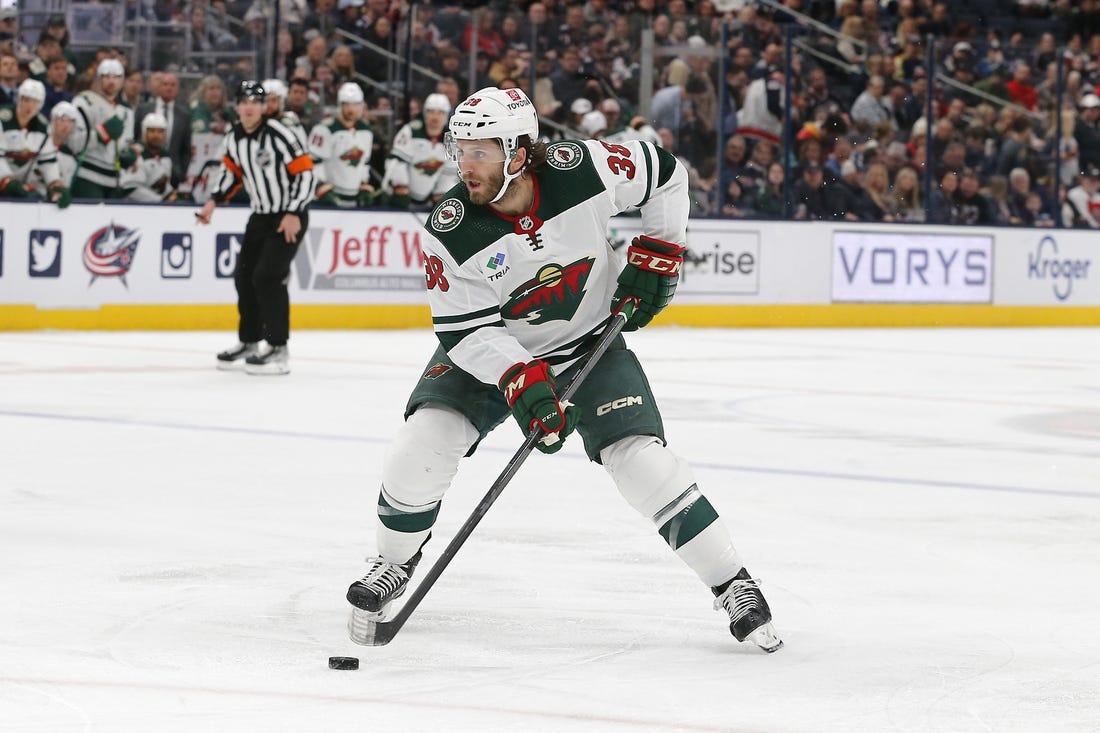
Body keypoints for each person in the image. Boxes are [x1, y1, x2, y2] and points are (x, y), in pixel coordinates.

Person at [345, 86, 783, 653]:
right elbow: (464, 332)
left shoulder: (583, 169)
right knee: (422, 442)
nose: (464, 165)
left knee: (643, 462)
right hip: (495, 350)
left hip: (587, 343)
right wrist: (520, 376)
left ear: (519, 150)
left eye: (481, 151)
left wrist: (661, 248)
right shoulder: (449, 228)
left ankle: (733, 584)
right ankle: (393, 562)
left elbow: (666, 173)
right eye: (461, 150)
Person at [195, 81, 316, 376]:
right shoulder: (234, 136)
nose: (249, 107)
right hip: (260, 215)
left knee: (268, 277)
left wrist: (293, 211)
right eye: (244, 101)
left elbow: (305, 174)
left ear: (263, 107)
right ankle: (249, 341)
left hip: (289, 216)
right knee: (245, 277)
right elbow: (231, 173)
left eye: (255, 101)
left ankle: (278, 348)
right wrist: (213, 201)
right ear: (237, 106)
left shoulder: (280, 133)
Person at [66, 58, 137, 199]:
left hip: (115, 179)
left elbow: (126, 144)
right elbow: (73, 143)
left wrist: (129, 154)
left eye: (117, 77)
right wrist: (101, 134)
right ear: (98, 79)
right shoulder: (83, 102)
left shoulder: (126, 112)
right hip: (87, 175)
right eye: (107, 76)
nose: (112, 81)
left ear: (122, 81)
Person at [380, 92, 458, 209]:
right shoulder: (411, 131)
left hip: (428, 202)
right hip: (399, 199)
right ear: (425, 113)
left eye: (440, 112)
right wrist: (400, 185)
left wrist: (442, 192)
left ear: (447, 115)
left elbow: (450, 171)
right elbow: (397, 161)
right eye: (431, 111)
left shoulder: (451, 139)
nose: (435, 117)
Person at [0, 79, 71, 207]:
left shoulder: (43, 127)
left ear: (41, 104)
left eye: (35, 102)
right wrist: (8, 181)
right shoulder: (2, 119)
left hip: (19, 187)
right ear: (18, 99)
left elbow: (48, 162)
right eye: (26, 100)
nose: (30, 106)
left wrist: (54, 184)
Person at [308, 81, 375, 208]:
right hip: (329, 197)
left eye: (355, 104)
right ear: (340, 105)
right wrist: (320, 186)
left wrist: (363, 182)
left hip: (354, 197)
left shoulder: (366, 130)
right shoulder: (325, 129)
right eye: (346, 104)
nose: (351, 109)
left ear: (362, 106)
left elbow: (364, 162)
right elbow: (313, 161)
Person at [122, 112, 176, 202]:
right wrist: (160, 200)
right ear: (144, 132)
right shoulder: (135, 154)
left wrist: (170, 194)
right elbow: (132, 189)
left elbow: (161, 185)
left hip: (157, 208)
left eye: (160, 131)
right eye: (152, 131)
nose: (156, 135)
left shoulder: (166, 156)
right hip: (134, 208)